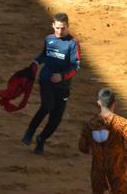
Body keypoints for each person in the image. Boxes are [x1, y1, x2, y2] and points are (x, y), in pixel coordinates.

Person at [22, 12, 81, 155]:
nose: (60, 31)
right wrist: (36, 62)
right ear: (53, 25)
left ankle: (41, 139)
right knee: (47, 106)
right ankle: (30, 130)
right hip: (46, 80)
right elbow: (44, 55)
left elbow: (76, 67)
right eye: (57, 28)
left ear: (68, 26)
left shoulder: (73, 44)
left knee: (56, 119)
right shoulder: (49, 39)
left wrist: (62, 76)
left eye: (63, 28)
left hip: (62, 86)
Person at [79, 88, 127, 194]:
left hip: (98, 170)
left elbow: (82, 147)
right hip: (117, 169)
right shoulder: (122, 123)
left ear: (99, 103)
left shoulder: (90, 124)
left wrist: (95, 152)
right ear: (114, 103)